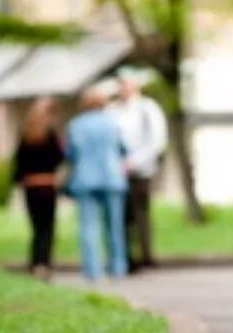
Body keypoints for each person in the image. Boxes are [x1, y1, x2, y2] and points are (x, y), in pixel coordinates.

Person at [64, 86, 128, 282]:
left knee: (88, 226)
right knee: (114, 225)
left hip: (86, 178)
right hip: (111, 178)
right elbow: (123, 149)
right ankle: (118, 267)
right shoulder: (112, 123)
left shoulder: (76, 125)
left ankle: (93, 270)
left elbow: (71, 154)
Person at [109, 68, 168, 273]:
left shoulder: (147, 108)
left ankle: (146, 255)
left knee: (141, 214)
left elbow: (156, 141)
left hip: (141, 170)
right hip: (117, 171)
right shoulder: (113, 110)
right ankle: (126, 257)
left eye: (125, 84)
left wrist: (134, 162)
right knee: (122, 217)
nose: (122, 89)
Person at [12, 96, 64, 280]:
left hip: (31, 186)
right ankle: (45, 263)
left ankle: (35, 262)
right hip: (47, 184)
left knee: (35, 227)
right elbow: (59, 158)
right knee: (47, 227)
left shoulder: (25, 136)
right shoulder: (50, 135)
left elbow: (18, 163)